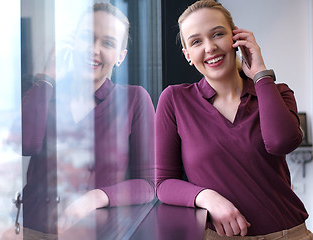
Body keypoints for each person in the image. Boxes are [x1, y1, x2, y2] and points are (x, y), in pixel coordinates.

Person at [155, 0, 312, 239]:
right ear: (187, 54)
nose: (210, 47)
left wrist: (260, 72)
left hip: (290, 233)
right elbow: (164, 184)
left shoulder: (276, 92)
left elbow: (282, 142)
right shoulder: (175, 100)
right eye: (196, 41)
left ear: (235, 38)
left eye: (217, 34)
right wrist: (208, 198)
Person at [21, 3, 155, 236]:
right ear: (73, 42)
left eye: (108, 43)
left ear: (120, 57)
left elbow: (149, 185)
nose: (94, 49)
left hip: (98, 233)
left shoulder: (134, 99)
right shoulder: (44, 92)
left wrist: (94, 198)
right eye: (87, 37)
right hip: (34, 231)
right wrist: (47, 77)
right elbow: (26, 144)